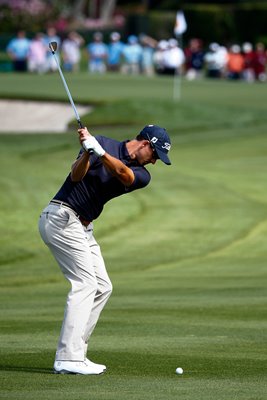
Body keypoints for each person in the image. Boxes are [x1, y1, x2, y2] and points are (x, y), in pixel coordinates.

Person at [38, 124, 172, 375]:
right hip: (61, 218)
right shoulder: (100, 142)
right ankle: (68, 357)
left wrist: (98, 151)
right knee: (86, 284)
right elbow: (76, 176)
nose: (154, 162)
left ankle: (76, 353)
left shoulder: (141, 175)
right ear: (145, 144)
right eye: (154, 156)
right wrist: (88, 152)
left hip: (83, 227)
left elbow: (122, 173)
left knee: (102, 287)